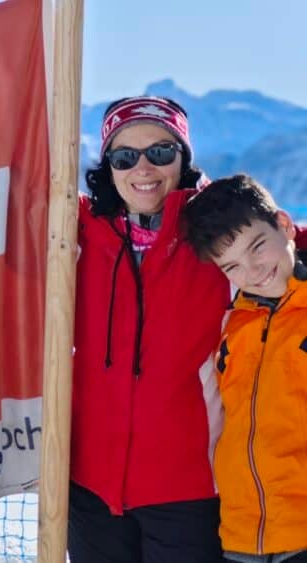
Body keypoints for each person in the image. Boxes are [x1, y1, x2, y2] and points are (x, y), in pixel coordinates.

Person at [67, 95, 307, 562]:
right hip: (89, 486)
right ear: (108, 166)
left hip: (187, 488)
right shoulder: (76, 227)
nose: (143, 168)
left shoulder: (211, 234)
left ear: (183, 159)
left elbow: (279, 239)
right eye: (125, 155)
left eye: (160, 152)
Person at [183, 174, 307, 563]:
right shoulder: (232, 326)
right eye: (232, 266)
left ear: (284, 225)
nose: (252, 271)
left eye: (257, 247)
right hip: (241, 536)